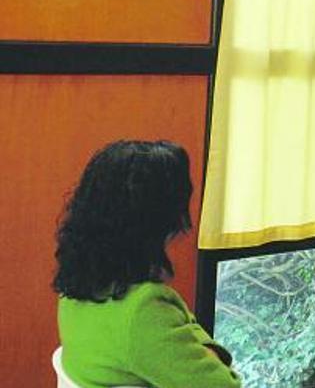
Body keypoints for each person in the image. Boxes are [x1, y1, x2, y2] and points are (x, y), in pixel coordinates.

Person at [53, 140, 241, 388]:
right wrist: (208, 352)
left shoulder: (76, 288)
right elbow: (224, 385)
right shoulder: (143, 311)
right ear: (157, 221)